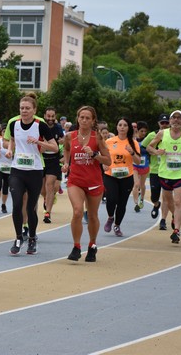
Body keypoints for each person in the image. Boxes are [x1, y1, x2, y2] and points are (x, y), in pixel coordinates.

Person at [5, 94, 58, 255]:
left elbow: (54, 148)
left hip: (35, 170)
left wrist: (39, 143)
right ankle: (18, 237)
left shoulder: (40, 126)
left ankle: (33, 237)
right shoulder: (14, 124)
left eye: (28, 108)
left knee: (30, 207)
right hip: (17, 170)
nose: (24, 111)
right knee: (16, 204)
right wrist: (9, 150)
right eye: (22, 108)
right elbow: (13, 141)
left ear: (34, 110)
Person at [62, 106, 111, 262]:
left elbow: (108, 160)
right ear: (77, 118)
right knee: (77, 211)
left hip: (94, 181)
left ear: (93, 120)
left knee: (92, 215)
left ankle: (92, 244)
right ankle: (76, 247)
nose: (83, 120)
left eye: (87, 118)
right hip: (75, 180)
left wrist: (95, 154)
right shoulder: (70, 136)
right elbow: (66, 150)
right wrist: (66, 163)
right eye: (81, 117)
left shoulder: (97, 138)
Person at [146, 110, 181, 244]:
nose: (176, 120)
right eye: (173, 118)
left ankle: (176, 231)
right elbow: (149, 147)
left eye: (179, 118)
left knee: (178, 201)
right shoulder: (162, 133)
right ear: (169, 121)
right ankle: (174, 216)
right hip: (165, 173)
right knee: (168, 201)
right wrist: (157, 151)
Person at [102, 117, 141, 237]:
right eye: (120, 125)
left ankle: (117, 225)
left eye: (125, 125)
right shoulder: (109, 141)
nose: (122, 127)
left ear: (128, 128)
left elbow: (138, 161)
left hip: (126, 176)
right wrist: (103, 164)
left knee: (122, 203)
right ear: (117, 127)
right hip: (110, 175)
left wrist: (132, 153)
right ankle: (110, 217)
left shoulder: (133, 143)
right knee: (111, 198)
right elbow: (103, 156)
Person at [142, 114, 172, 230]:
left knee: (166, 196)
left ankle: (163, 220)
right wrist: (154, 152)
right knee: (154, 196)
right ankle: (156, 204)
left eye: (166, 123)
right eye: (162, 123)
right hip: (155, 170)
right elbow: (143, 147)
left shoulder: (173, 136)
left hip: (168, 170)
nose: (164, 125)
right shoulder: (152, 135)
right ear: (158, 123)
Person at [40, 106, 64, 224]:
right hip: (42, 160)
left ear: (55, 117)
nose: (50, 119)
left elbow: (63, 141)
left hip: (54, 160)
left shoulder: (58, 128)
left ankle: (47, 213)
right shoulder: (40, 126)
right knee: (42, 189)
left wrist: (62, 142)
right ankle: (46, 198)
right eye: (48, 116)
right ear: (44, 116)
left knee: (50, 185)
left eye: (52, 117)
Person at [132, 121, 150, 212]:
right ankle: (136, 203)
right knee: (136, 184)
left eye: (145, 131)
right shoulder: (133, 140)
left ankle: (141, 198)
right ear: (137, 131)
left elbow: (150, 150)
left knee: (142, 185)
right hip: (135, 166)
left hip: (145, 166)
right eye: (141, 131)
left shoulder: (147, 140)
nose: (143, 133)